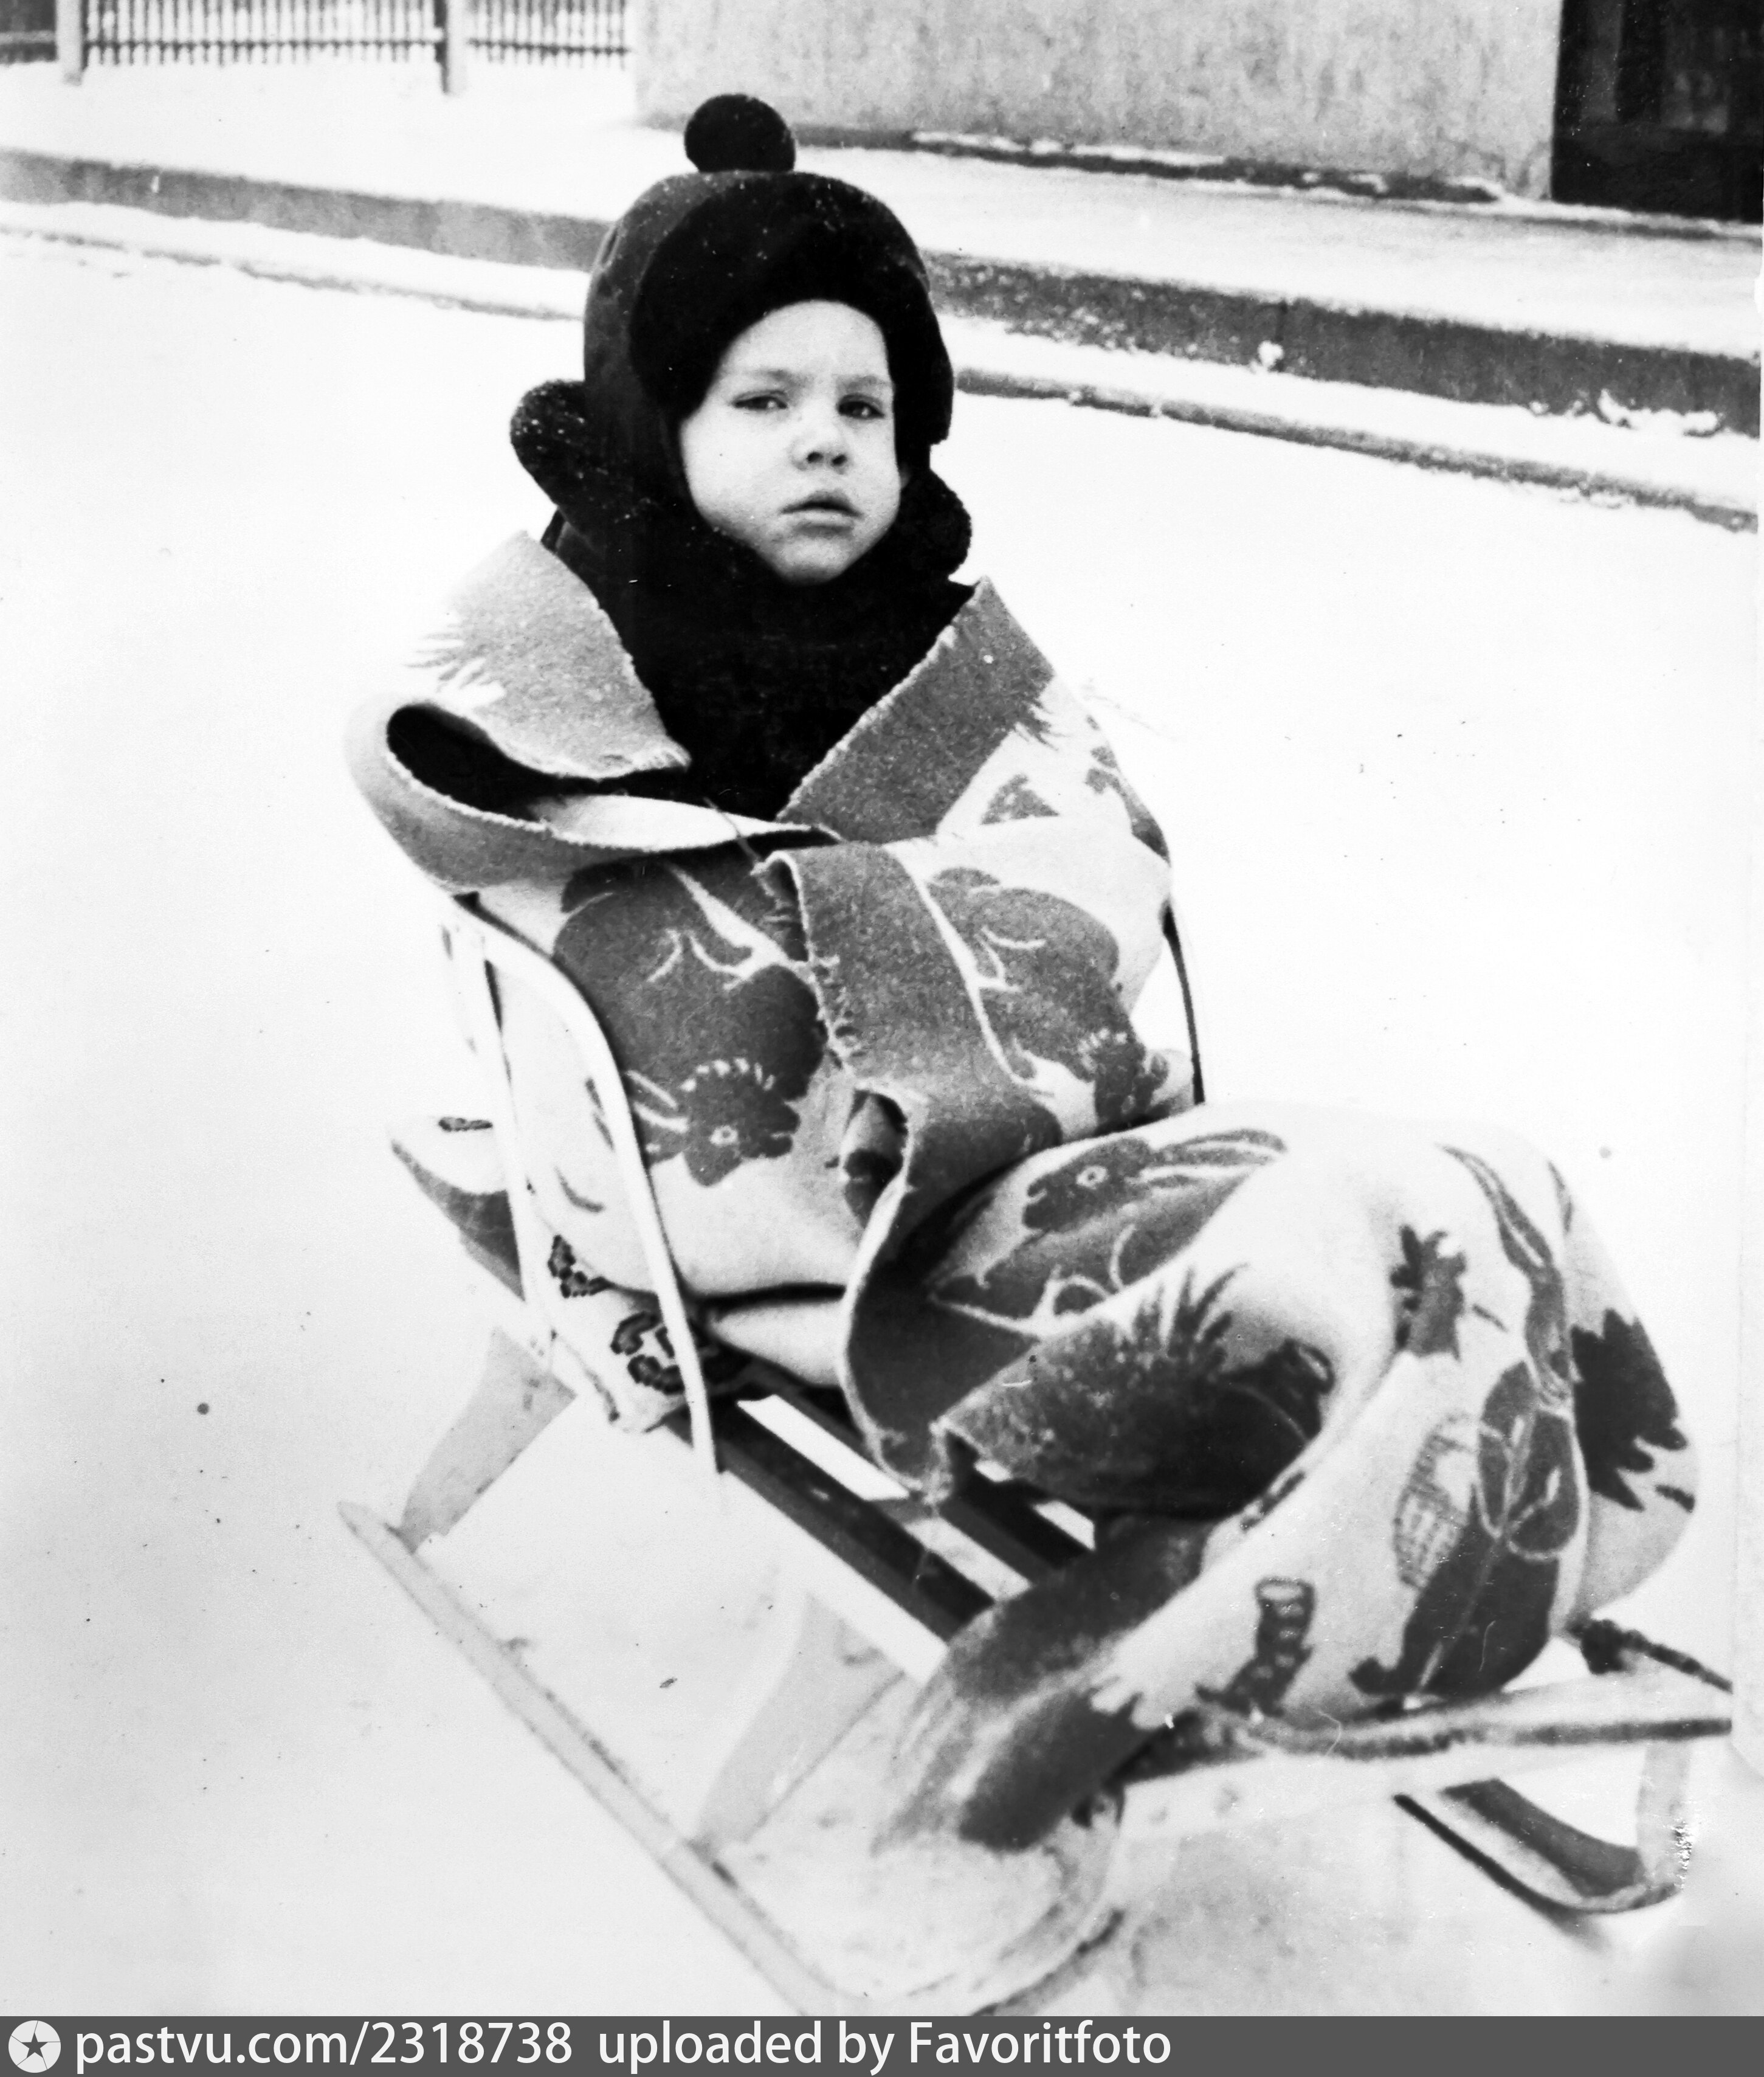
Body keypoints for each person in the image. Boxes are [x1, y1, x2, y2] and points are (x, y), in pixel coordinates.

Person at [348, 96, 1698, 1850]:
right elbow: (610, 945)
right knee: (1364, 1244)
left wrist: (975, 924)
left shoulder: (940, 642)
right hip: (841, 1221)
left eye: (865, 408)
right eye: (762, 401)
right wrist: (851, 930)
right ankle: (1278, 1597)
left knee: (1476, 1183)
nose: (824, 442)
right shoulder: (567, 660)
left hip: (1039, 1147)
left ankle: (1423, 1553)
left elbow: (1088, 853)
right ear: (651, 424)